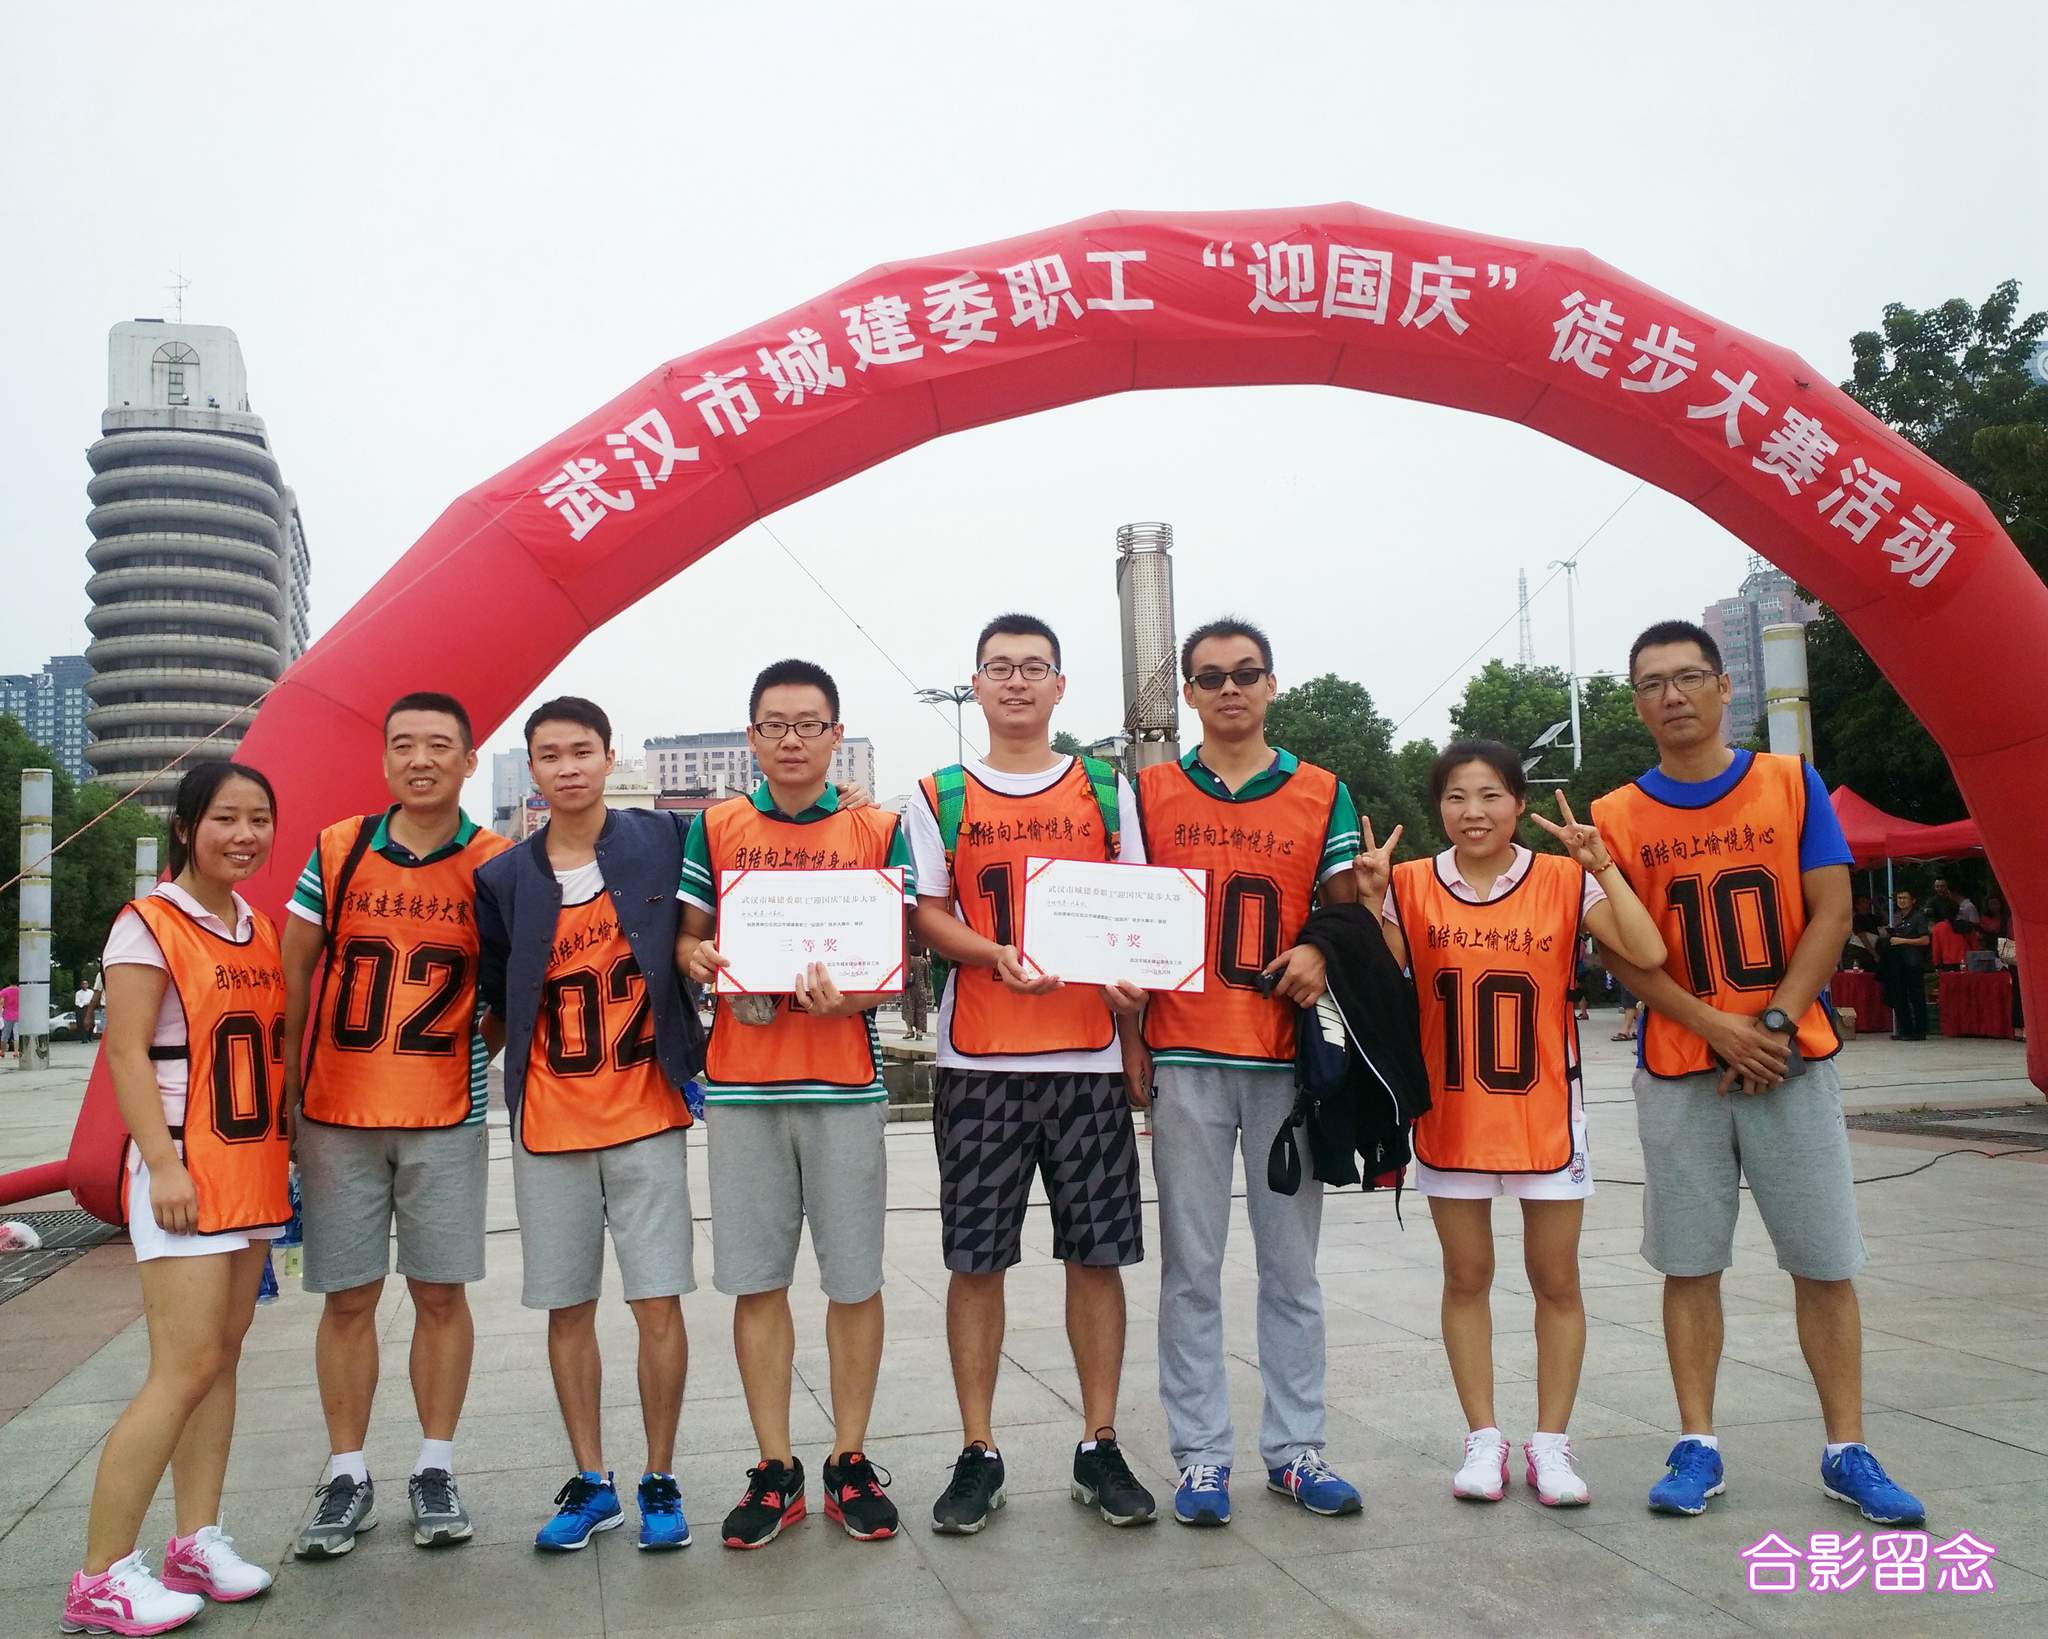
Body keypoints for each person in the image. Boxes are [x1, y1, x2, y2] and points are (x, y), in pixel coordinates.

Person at [1593, 619, 1923, 1527]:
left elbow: (1831, 911)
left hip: (1791, 1058)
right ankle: (1696, 1441)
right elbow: (1621, 953)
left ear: (1725, 684)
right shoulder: (1614, 815)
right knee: (1689, 1261)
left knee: (1824, 1259)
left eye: (1688, 676)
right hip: (1682, 1065)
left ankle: (1847, 1446)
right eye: (1652, 683)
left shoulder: (1789, 780)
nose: (1672, 695)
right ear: (1637, 703)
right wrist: (1715, 1027)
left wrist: (1772, 1021)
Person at [908, 613, 1156, 1535]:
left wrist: (1133, 1010)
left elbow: (1135, 906)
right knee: (977, 1259)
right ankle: (978, 1447)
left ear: (1059, 685)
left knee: (1097, 1253)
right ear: (975, 684)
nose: (1016, 681)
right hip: (979, 1058)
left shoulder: (1105, 787)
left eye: (1033, 667)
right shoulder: (938, 793)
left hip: (1086, 1055)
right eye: (999, 667)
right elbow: (928, 913)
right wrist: (991, 952)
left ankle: (1100, 1440)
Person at [1371, 741, 1665, 1508]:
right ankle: (1483, 1436)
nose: (1474, 812)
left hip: (1545, 1114)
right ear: (1438, 807)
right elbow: (1371, 979)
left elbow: (1647, 949)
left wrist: (1603, 864)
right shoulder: (1409, 883)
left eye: (1491, 795)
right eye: (1457, 797)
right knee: (1466, 1276)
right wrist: (1368, 902)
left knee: (1556, 1279)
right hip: (1453, 1113)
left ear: (1519, 802)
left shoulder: (1564, 878)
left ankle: (1552, 1442)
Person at [1134, 617, 1367, 1528]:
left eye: (1245, 672)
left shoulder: (1322, 791)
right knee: (1190, 1269)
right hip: (1185, 1051)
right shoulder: (1148, 791)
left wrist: (1319, 947)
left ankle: (1296, 1447)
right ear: (1189, 694)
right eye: (1210, 676)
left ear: (1272, 684)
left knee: (1291, 1269)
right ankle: (1200, 1455)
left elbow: (1345, 914)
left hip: (1282, 1058)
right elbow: (1122, 920)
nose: (1229, 688)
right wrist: (1131, 1042)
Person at [677, 659, 914, 1548]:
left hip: (844, 1085)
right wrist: (699, 959)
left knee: (854, 1280)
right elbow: (690, 939)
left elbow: (893, 962)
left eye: (808, 724)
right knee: (757, 1281)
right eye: (773, 724)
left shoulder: (876, 828)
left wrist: (851, 996)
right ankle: (775, 1467)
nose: (790, 739)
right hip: (742, 1088)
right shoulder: (716, 825)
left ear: (834, 734)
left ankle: (849, 1458)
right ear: (751, 736)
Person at [280, 692, 514, 1559]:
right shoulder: (340, 848)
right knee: (347, 1297)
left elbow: (508, 991)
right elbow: (294, 975)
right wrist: (289, 1096)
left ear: (467, 759)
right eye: (404, 744)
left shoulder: (495, 863)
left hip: (445, 1110)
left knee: (440, 1293)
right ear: (384, 759)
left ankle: (434, 1464)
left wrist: (472, 1051)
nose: (421, 759)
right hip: (337, 1112)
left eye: (439, 744)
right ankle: (346, 1472)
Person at [62, 763, 287, 1635]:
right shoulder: (147, 923)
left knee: (221, 1359)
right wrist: (161, 1164)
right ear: (188, 825)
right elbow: (124, 1052)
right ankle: (100, 1576)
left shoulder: (256, 924)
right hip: (185, 1168)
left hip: (251, 1167)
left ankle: (195, 1540)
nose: (245, 834)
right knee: (182, 1368)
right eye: (226, 817)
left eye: (259, 818)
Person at [477, 696, 703, 1552]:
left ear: (610, 756)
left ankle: (660, 1475)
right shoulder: (504, 879)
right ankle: (593, 1478)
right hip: (550, 1119)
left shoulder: (665, 837)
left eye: (582, 750)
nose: (567, 767)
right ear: (532, 769)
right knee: (566, 1306)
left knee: (657, 1301)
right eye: (549, 754)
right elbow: (493, 998)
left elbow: (726, 890)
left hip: (646, 1109)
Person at [1880, 889, 1931, 1040]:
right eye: (1899, 898)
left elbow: (1925, 940)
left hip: (1913, 961)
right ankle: (1905, 1030)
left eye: (1905, 898)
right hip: (1898, 962)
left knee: (1916, 996)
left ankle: (1920, 1031)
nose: (1901, 901)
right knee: (1899, 995)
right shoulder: (1898, 917)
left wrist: (1902, 941)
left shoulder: (1918, 917)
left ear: (1913, 900)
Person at [2, 980, 17, 1052]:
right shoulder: (19, 991)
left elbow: (2, 1003)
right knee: (15, 1033)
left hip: (7, 1016)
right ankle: (15, 1050)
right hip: (15, 1016)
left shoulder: (4, 992)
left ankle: (3, 1050)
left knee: (5, 1033)